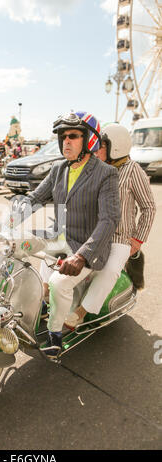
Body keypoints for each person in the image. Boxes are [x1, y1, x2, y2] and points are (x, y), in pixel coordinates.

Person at [16, 111, 121, 359]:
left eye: (73, 136)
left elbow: (109, 220)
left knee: (58, 283)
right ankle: (27, 305)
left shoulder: (106, 173)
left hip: (88, 247)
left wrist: (82, 257)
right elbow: (34, 199)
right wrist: (8, 219)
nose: (66, 141)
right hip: (60, 238)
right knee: (17, 247)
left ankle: (55, 336)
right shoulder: (57, 169)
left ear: (90, 140)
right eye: (63, 136)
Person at [64, 123, 156, 329]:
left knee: (110, 270)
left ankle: (81, 312)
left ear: (116, 146)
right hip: (94, 232)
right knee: (60, 256)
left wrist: (138, 240)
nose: (96, 149)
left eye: (101, 145)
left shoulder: (133, 171)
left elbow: (149, 208)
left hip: (120, 237)